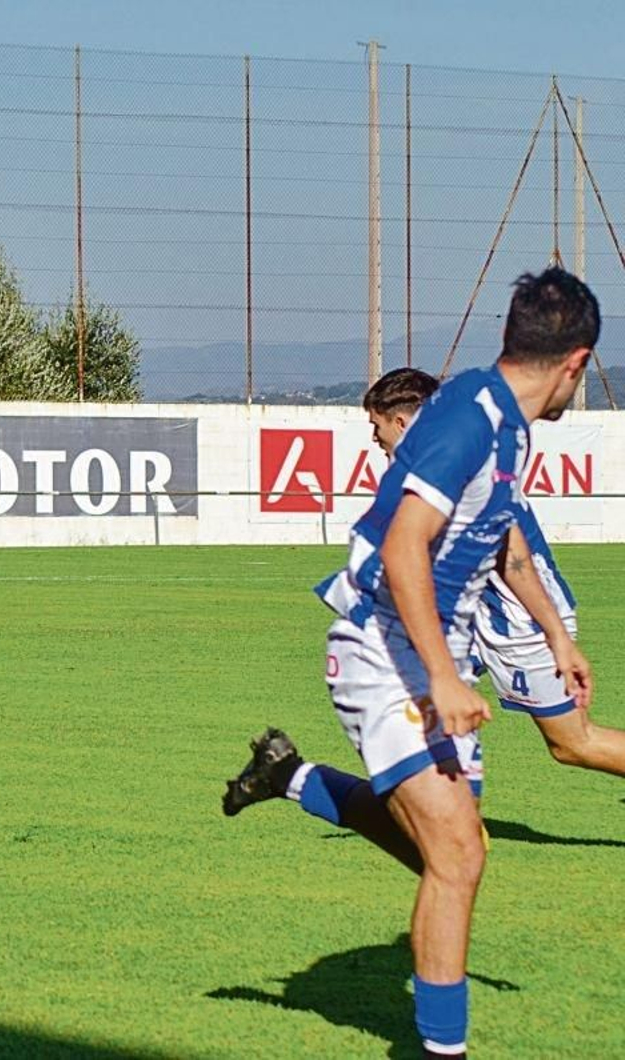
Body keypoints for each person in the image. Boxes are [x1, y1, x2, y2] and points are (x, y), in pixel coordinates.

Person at [225, 269, 597, 1059]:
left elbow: (507, 545)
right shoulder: (469, 420)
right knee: (457, 853)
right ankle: (437, 1053)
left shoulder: (503, 422)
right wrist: (442, 676)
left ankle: (290, 776)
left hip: (426, 655)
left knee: (452, 851)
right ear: (577, 362)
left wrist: (557, 640)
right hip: (383, 649)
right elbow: (401, 547)